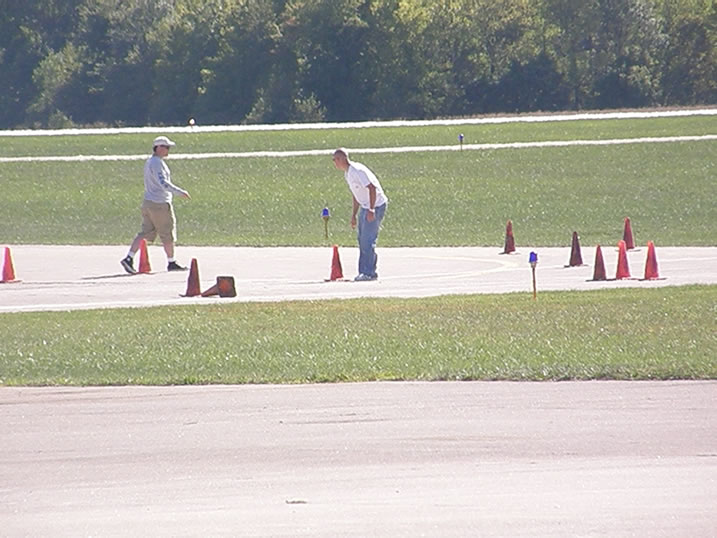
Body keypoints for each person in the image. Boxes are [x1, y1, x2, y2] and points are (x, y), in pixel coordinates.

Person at [120, 135, 191, 273]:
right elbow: (163, 182)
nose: (168, 150)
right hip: (159, 203)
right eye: (166, 147)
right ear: (158, 148)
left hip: (148, 202)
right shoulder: (156, 163)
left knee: (145, 233)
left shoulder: (151, 162)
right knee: (167, 233)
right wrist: (179, 192)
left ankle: (129, 257)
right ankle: (171, 262)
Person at [332, 148, 388, 281]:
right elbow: (356, 195)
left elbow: (372, 188)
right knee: (362, 240)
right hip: (365, 206)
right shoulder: (348, 174)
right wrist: (354, 215)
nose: (334, 162)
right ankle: (365, 271)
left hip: (376, 205)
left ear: (342, 159)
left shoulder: (357, 171)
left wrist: (372, 210)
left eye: (336, 159)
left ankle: (368, 273)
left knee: (368, 240)